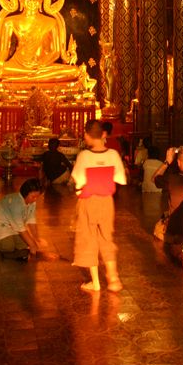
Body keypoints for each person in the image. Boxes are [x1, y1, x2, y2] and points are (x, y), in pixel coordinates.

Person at [71, 119, 126, 293]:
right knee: (106, 238)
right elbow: (121, 179)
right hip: (107, 201)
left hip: (89, 201)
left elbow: (78, 181)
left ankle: (95, 283)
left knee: (88, 239)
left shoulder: (84, 156)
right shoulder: (113, 155)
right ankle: (113, 278)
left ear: (87, 135)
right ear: (103, 134)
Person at [153, 147, 183, 244]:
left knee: (158, 227)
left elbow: (154, 178)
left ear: (178, 163)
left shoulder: (171, 179)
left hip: (175, 227)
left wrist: (167, 161)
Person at [0, 178, 46, 260]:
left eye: (37, 197)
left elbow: (31, 220)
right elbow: (20, 227)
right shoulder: (16, 204)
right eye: (33, 196)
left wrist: (36, 239)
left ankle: (2, 239)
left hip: (12, 224)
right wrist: (32, 245)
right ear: (25, 193)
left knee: (24, 244)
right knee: (8, 247)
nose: (35, 199)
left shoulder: (32, 202)